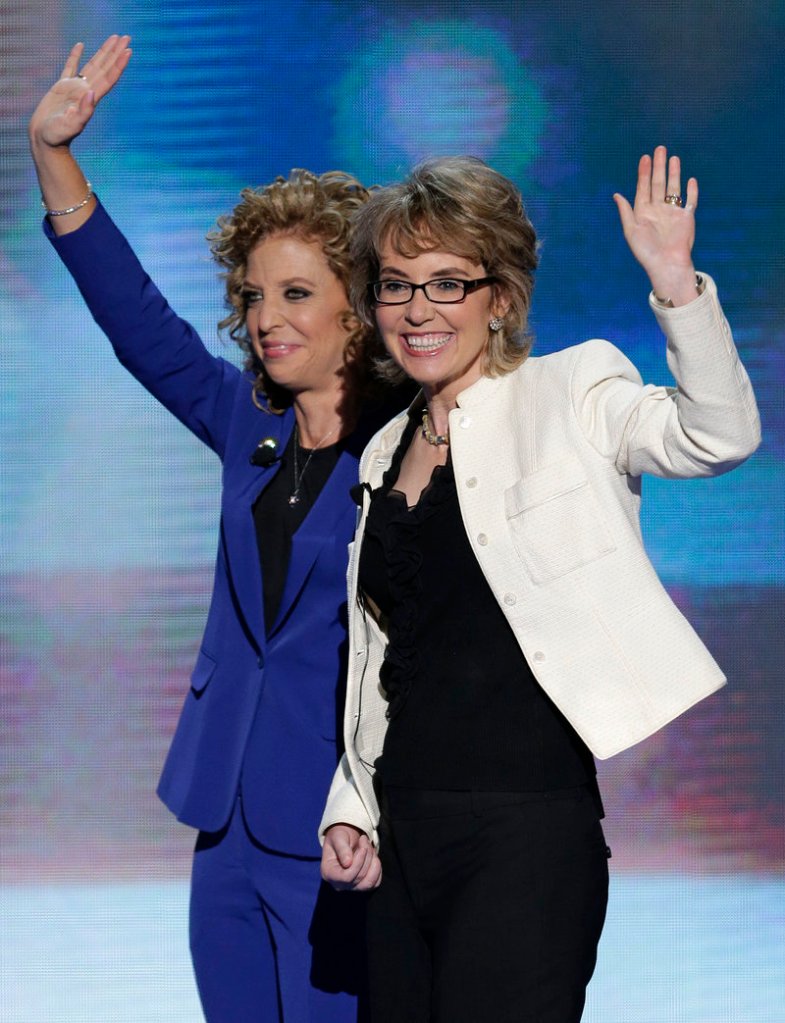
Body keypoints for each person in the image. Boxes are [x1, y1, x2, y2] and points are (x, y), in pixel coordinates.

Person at [319, 150, 761, 1021]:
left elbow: (719, 436)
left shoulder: (573, 389)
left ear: (501, 296)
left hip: (523, 828)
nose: (418, 309)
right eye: (397, 284)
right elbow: (383, 655)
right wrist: (352, 806)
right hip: (400, 832)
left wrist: (677, 284)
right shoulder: (381, 450)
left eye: (448, 283)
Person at [29, 34, 396, 1023]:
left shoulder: (414, 452)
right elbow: (140, 327)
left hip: (335, 831)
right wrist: (54, 159)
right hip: (224, 816)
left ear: (358, 310)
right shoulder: (250, 423)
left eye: (295, 293)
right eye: (252, 294)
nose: (265, 316)